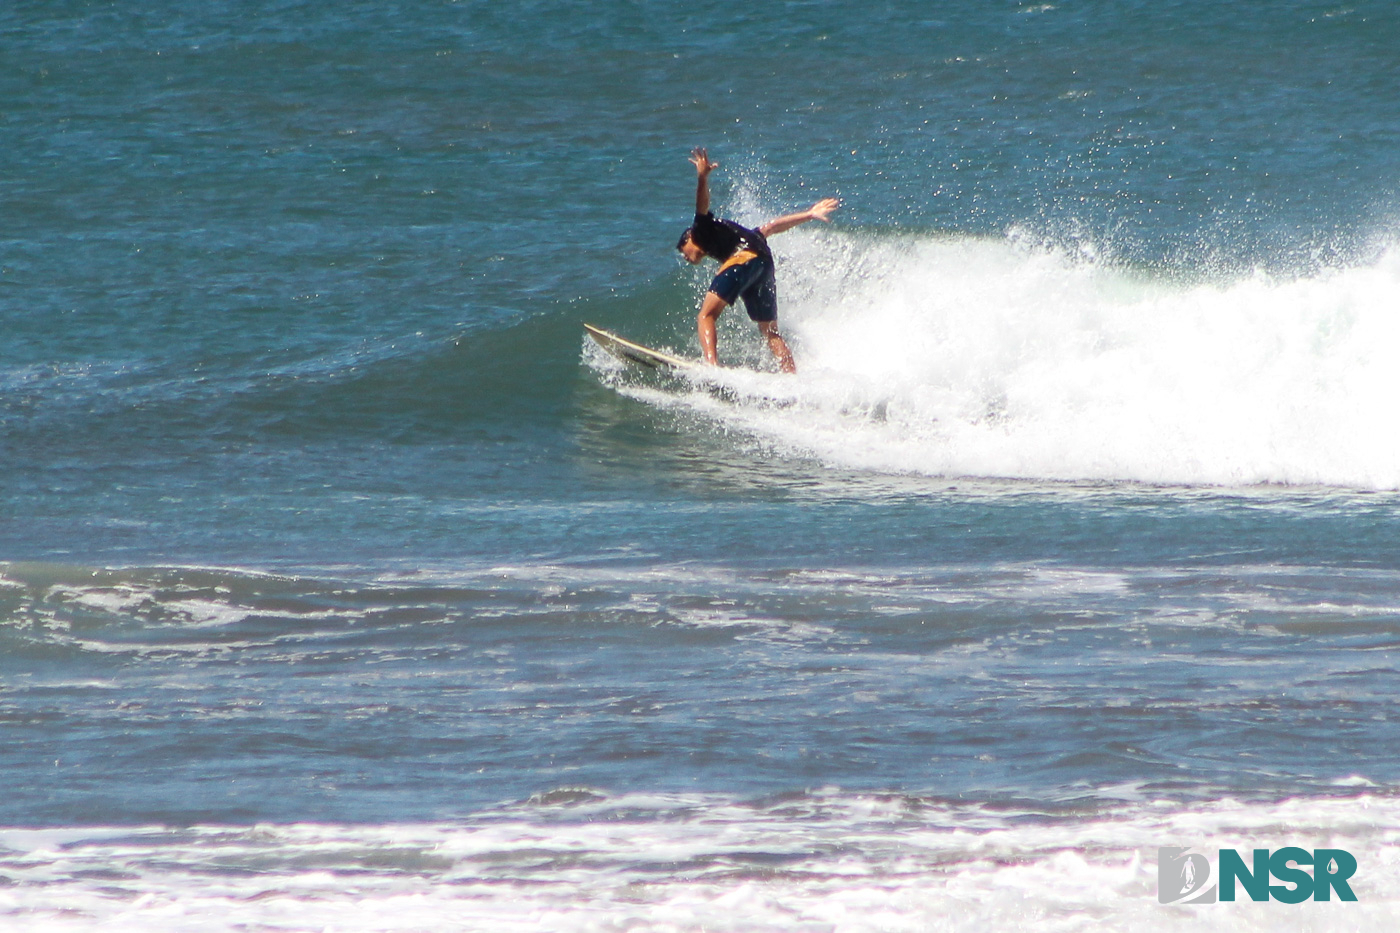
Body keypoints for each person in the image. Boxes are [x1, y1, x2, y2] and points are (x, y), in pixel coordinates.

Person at [676, 148, 839, 373]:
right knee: (770, 331)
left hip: (744, 258)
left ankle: (711, 367)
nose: (685, 256)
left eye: (683, 249)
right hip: (764, 265)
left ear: (689, 239)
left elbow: (701, 206)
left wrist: (702, 177)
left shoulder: (700, 231)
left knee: (706, 315)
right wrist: (809, 214)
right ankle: (792, 376)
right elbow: (772, 227)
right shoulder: (739, 235)